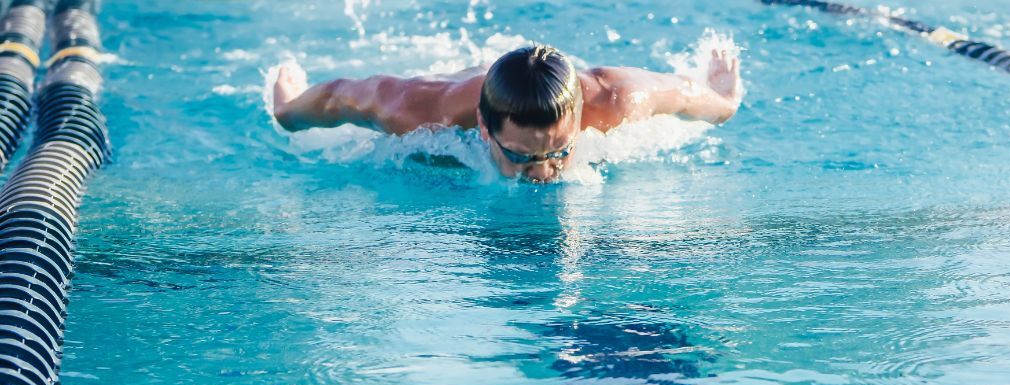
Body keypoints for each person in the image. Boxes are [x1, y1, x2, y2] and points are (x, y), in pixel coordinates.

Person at [272, 44, 741, 183]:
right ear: (483, 127)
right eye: (518, 156)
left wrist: (723, 101)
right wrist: (288, 110)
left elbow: (685, 96)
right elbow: (342, 97)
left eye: (561, 151)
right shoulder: (420, 111)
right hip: (466, 81)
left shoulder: (617, 101)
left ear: (580, 121)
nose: (542, 174)